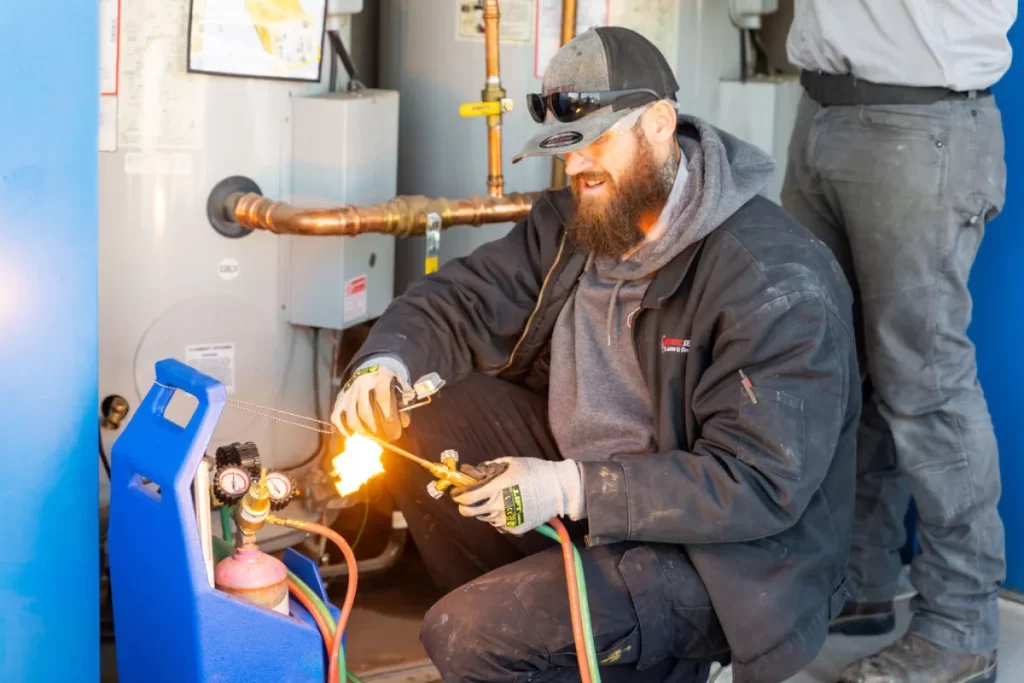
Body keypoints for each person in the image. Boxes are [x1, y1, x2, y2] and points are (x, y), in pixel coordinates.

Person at [333, 27, 859, 683]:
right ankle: (545, 634)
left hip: (723, 556)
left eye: (594, 142)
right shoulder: (582, 219)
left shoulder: (771, 279)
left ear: (661, 124)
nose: (576, 166)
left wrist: (571, 487)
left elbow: (757, 482)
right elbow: (463, 296)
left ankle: (619, 653)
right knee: (423, 411)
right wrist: (386, 363)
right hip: (593, 494)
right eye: (565, 149)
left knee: (463, 635)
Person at [781, 2, 1015, 682]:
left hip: (922, 119)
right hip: (822, 109)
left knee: (925, 381)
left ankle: (962, 623)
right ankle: (860, 577)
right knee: (832, 371)